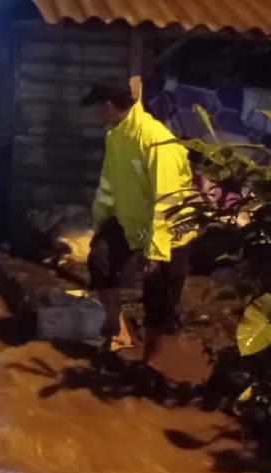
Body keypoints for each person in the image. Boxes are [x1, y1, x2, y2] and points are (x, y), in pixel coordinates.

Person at [82, 77, 196, 363]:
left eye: (98, 108)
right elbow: (109, 182)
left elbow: (168, 198)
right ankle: (113, 326)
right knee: (100, 259)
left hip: (170, 231)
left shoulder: (155, 140)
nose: (97, 115)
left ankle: (151, 364)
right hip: (130, 221)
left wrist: (156, 253)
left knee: (159, 299)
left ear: (108, 106)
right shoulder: (116, 135)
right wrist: (101, 222)